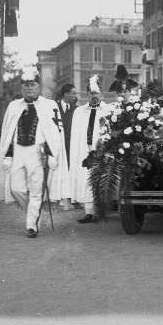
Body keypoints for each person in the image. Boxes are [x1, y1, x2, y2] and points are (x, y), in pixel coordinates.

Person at [0, 67, 61, 238]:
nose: (30, 89)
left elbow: (55, 133)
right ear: (21, 88)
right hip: (18, 152)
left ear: (38, 87)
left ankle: (32, 225)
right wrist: (8, 155)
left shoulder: (49, 105)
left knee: (37, 190)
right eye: (26, 86)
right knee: (16, 189)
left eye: (33, 85)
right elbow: (8, 134)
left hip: (38, 153)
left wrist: (53, 154)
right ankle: (32, 214)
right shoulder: (14, 106)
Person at [70, 75, 111, 223]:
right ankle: (89, 212)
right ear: (87, 94)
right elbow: (75, 134)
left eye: (97, 93)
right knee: (84, 179)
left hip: (100, 149)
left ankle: (100, 211)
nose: (94, 96)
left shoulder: (108, 110)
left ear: (101, 93)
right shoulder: (79, 112)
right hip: (83, 149)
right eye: (91, 93)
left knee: (101, 179)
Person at [48, 83, 78, 210]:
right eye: (73, 93)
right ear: (66, 94)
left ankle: (72, 197)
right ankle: (57, 196)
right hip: (58, 145)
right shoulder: (54, 107)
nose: (75, 96)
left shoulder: (76, 109)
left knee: (71, 170)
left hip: (71, 145)